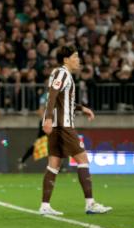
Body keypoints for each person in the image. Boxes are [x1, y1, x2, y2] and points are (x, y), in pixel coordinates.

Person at [39, 45, 112, 216]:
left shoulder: (63, 75)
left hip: (58, 126)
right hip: (64, 126)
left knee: (54, 165)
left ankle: (45, 206)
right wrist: (47, 118)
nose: (78, 60)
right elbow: (52, 96)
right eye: (76, 56)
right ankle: (90, 204)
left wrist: (81, 108)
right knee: (83, 159)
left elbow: (63, 101)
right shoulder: (62, 73)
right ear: (66, 60)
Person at [17, 91, 48, 170]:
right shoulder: (46, 95)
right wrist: (44, 120)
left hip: (51, 122)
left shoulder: (54, 94)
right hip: (46, 122)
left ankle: (22, 160)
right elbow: (41, 109)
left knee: (47, 144)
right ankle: (58, 166)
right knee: (43, 144)